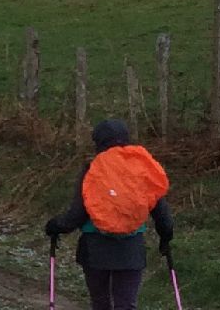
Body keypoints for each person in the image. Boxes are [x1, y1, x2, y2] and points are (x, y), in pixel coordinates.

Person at [44, 120, 176, 310]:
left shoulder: (93, 169)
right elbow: (160, 210)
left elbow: (77, 214)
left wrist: (55, 226)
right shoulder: (141, 168)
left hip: (95, 249)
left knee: (101, 303)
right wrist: (166, 236)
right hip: (131, 249)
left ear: (98, 142)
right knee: (126, 305)